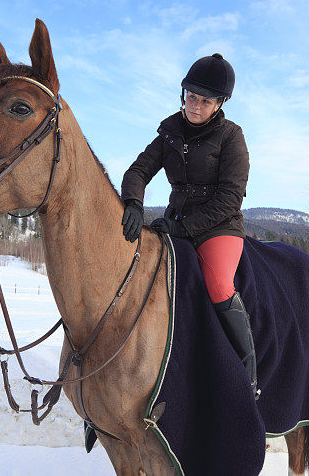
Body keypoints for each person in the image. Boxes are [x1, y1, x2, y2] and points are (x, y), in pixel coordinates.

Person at [120, 53, 258, 399]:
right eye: (190, 97)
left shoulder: (231, 136)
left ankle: (247, 375)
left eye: (204, 101)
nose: (194, 106)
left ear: (220, 103)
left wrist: (185, 228)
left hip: (219, 227)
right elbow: (138, 171)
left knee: (216, 283)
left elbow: (230, 198)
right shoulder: (169, 131)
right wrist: (134, 203)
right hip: (175, 223)